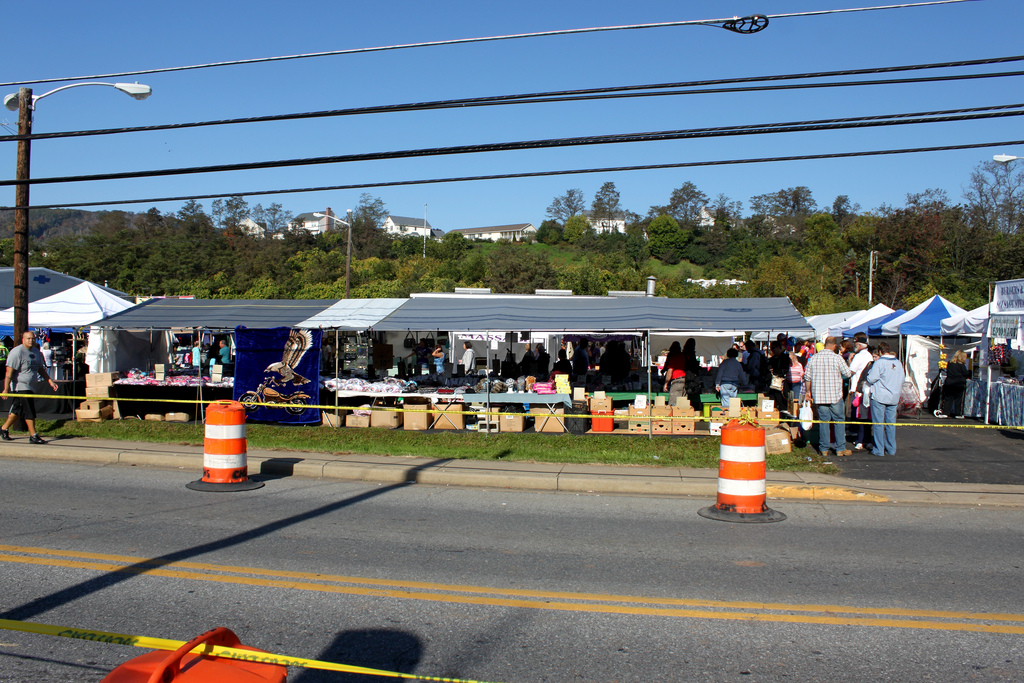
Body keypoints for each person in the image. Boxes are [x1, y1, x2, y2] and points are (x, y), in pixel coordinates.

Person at [2, 331, 59, 444]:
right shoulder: (17, 352)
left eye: (32, 338)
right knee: (29, 410)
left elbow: (41, 369)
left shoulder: (36, 353)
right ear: (23, 339)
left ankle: (3, 428)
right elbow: (9, 372)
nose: (31, 340)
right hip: (20, 386)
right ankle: (33, 435)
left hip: (32, 385)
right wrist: (6, 388)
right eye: (28, 338)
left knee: (16, 411)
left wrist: (50, 381)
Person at [804, 336, 853, 457]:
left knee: (823, 422)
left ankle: (824, 448)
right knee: (839, 421)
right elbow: (847, 373)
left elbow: (807, 378)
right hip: (835, 395)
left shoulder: (814, 358)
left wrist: (808, 391)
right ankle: (840, 448)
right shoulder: (837, 358)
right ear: (834, 346)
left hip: (820, 396)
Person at [864, 341, 906, 458]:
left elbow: (871, 379)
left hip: (880, 396)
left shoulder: (880, 362)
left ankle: (879, 449)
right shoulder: (898, 363)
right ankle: (891, 448)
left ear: (881, 351)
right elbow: (902, 379)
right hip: (894, 396)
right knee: (890, 424)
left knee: (878, 424)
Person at [937, 350, 970, 419]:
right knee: (958, 399)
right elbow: (965, 374)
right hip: (959, 383)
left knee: (948, 399)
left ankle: (946, 412)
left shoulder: (950, 363)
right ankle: (958, 413)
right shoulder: (961, 365)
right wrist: (969, 372)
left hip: (949, 382)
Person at [766, 340, 791, 410]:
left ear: (778, 347)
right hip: (773, 383)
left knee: (781, 402)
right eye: (771, 348)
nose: (772, 350)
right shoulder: (773, 359)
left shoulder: (785, 357)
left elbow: (785, 370)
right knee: (772, 400)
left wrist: (775, 371)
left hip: (781, 384)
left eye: (773, 348)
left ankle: (784, 416)